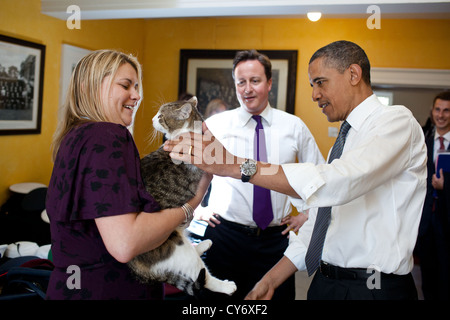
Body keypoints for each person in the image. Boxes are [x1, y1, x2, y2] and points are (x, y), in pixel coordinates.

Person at [164, 41, 427, 300]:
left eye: (320, 82)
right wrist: (271, 280)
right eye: (312, 85)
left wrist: (236, 166)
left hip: (372, 288)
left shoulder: (396, 122)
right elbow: (324, 219)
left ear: (353, 75)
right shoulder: (346, 139)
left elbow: (335, 184)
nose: (314, 94)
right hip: (323, 281)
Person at [45, 50, 210, 300]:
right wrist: (192, 203)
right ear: (88, 88)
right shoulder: (109, 136)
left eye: (136, 86)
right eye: (125, 85)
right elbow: (125, 244)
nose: (137, 95)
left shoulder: (74, 137)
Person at [193, 50, 324, 300]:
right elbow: (191, 171)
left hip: (274, 243)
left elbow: (319, 176)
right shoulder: (216, 125)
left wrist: (308, 214)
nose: (247, 89)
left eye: (255, 81)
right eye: (241, 82)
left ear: (269, 83)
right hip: (225, 237)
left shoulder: (294, 127)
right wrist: (196, 207)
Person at [416, 91, 450, 300]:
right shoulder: (423, 144)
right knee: (427, 278)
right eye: (438, 109)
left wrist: (447, 185)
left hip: (448, 222)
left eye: (447, 110)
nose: (441, 115)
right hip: (426, 222)